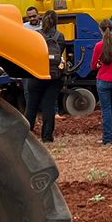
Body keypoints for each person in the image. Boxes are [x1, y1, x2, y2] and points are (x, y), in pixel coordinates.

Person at [23, 10, 66, 143]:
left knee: (31, 106)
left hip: (36, 75)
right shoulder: (60, 36)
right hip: (54, 76)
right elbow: (61, 52)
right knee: (49, 106)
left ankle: (26, 136)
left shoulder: (36, 35)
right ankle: (47, 137)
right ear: (56, 21)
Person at [90, 18, 112, 145]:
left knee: (106, 109)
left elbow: (93, 66)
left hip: (104, 79)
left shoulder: (99, 46)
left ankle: (108, 138)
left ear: (100, 30)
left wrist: (100, 64)